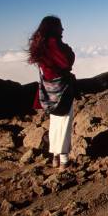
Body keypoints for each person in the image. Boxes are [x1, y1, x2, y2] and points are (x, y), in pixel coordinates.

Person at [28, 15, 76, 170]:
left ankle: (55, 157)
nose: (63, 29)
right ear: (54, 28)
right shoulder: (54, 44)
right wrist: (67, 48)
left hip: (49, 91)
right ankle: (64, 161)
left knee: (55, 122)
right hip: (62, 91)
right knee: (64, 123)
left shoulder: (40, 45)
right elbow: (66, 61)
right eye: (60, 26)